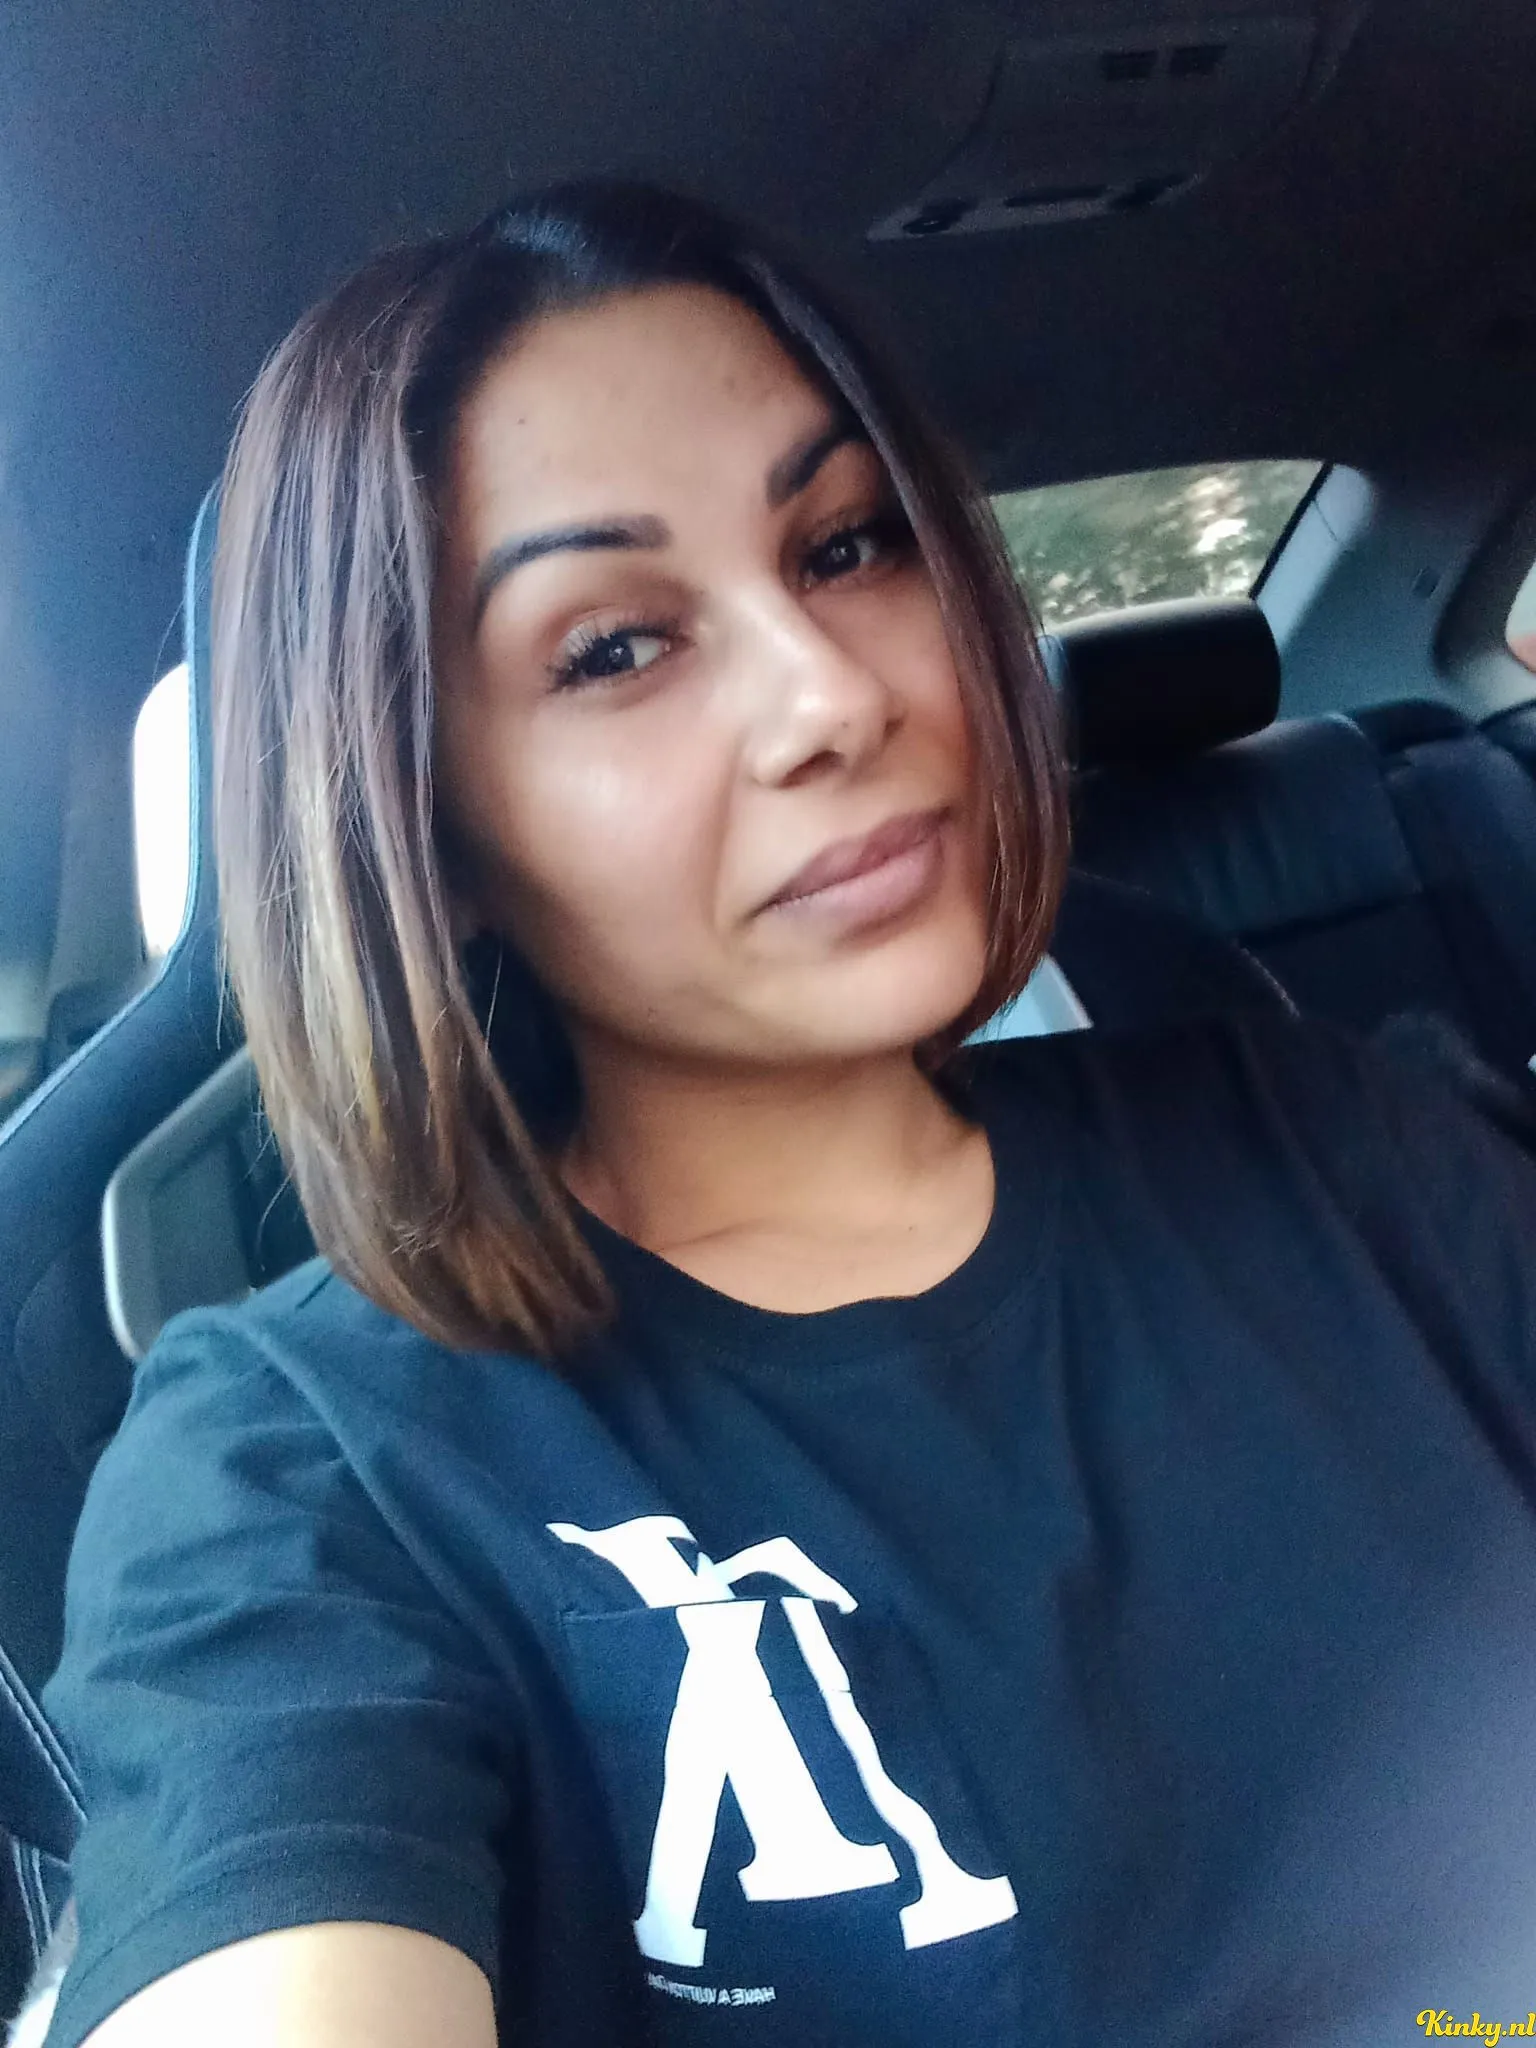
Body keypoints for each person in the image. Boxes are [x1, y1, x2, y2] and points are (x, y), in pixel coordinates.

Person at [32, 182, 1536, 2048]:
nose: (833, 696)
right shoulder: (312, 1466)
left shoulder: (1336, 1133)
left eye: (848, 544)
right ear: (428, 825)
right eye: (612, 647)